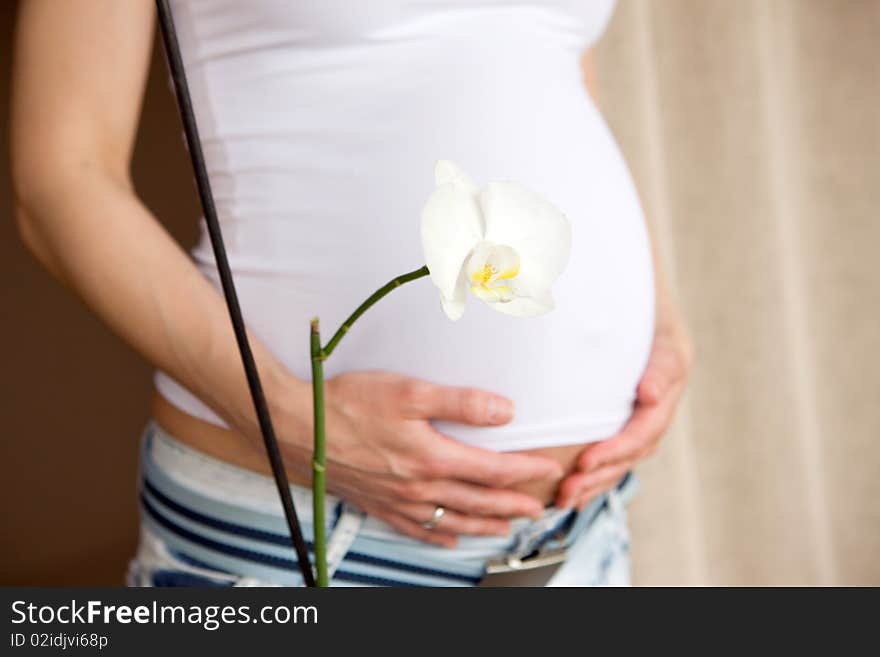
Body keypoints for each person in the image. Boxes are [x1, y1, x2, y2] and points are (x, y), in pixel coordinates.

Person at [11, 0, 691, 586]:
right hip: (294, 534)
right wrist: (290, 420)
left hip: (579, 540)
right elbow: (62, 177)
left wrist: (658, 319)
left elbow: (547, 69)